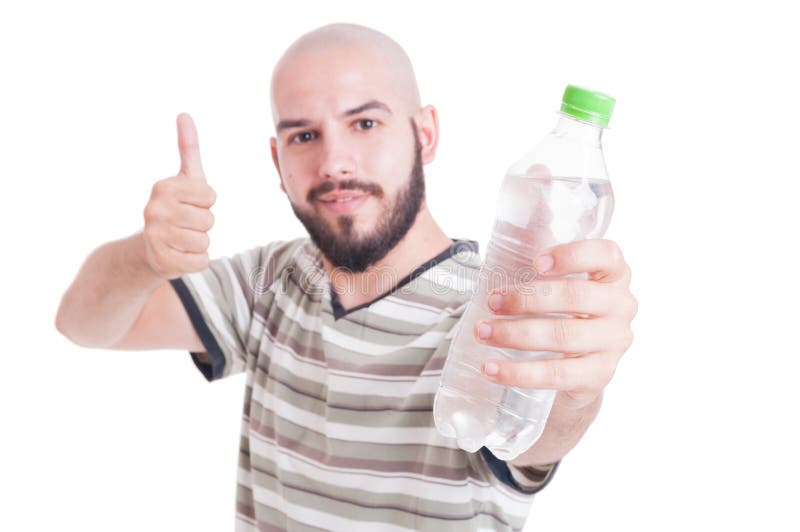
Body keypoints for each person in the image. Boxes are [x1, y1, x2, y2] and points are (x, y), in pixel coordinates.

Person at [55, 22, 637, 531]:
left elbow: (538, 440)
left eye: (364, 123)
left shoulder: (491, 312)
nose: (334, 161)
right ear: (277, 162)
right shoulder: (267, 281)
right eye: (304, 135)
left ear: (424, 134)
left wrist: (577, 385)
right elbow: (83, 324)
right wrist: (145, 257)